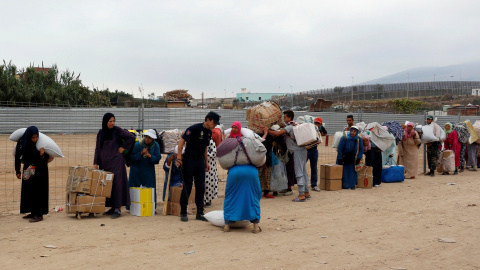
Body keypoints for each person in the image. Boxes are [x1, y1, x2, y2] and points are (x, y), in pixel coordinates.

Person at [176, 111, 220, 222]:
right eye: (214, 123)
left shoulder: (209, 132)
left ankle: (200, 213)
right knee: (188, 186)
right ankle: (183, 212)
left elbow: (205, 147)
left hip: (200, 161)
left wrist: (206, 162)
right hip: (189, 161)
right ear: (208, 120)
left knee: (201, 187)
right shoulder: (194, 128)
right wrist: (179, 157)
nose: (215, 125)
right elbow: (181, 142)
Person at [94, 113, 135, 219]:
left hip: (116, 163)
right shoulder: (101, 133)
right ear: (105, 122)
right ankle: (112, 207)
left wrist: (123, 148)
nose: (112, 123)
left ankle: (117, 208)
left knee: (117, 184)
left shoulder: (117, 130)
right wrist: (95, 163)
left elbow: (131, 137)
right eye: (110, 121)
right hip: (105, 163)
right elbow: (98, 148)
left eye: (113, 121)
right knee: (108, 185)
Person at [14, 126, 54, 222]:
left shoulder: (41, 143)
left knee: (39, 191)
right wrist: (17, 170)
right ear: (28, 136)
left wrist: (41, 154)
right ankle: (32, 212)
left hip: (40, 172)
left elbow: (46, 159)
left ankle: (39, 214)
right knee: (28, 190)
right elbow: (18, 156)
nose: (35, 139)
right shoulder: (22, 142)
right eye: (33, 137)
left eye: (36, 137)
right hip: (29, 169)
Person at [269, 110, 309, 202]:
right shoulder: (295, 125)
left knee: (299, 173)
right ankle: (306, 192)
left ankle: (301, 195)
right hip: (303, 150)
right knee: (303, 172)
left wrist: (268, 131)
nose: (284, 119)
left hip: (297, 151)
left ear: (289, 118)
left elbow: (277, 133)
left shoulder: (290, 127)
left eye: (285, 117)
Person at [223, 164, 262, 233]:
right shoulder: (252, 158)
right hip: (252, 171)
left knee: (230, 196)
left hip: (234, 171)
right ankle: (256, 227)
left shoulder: (233, 158)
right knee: (254, 195)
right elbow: (258, 193)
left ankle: (227, 226)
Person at [128, 129, 161, 206]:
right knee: (134, 188)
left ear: (152, 139)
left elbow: (158, 158)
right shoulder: (138, 144)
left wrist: (150, 156)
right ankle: (132, 207)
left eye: (149, 138)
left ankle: (150, 206)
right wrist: (141, 153)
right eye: (146, 137)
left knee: (150, 189)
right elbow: (132, 157)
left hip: (148, 172)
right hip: (136, 171)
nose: (147, 139)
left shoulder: (156, 145)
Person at [257, 127, 274, 198]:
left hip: (267, 157)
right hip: (259, 158)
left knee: (267, 175)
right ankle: (258, 191)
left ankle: (266, 192)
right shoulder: (256, 135)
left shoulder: (270, 136)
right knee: (259, 175)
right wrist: (265, 133)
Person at [204, 138, 219, 207]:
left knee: (208, 184)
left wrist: (204, 155)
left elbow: (213, 153)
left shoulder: (210, 141)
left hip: (210, 167)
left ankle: (208, 200)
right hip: (199, 164)